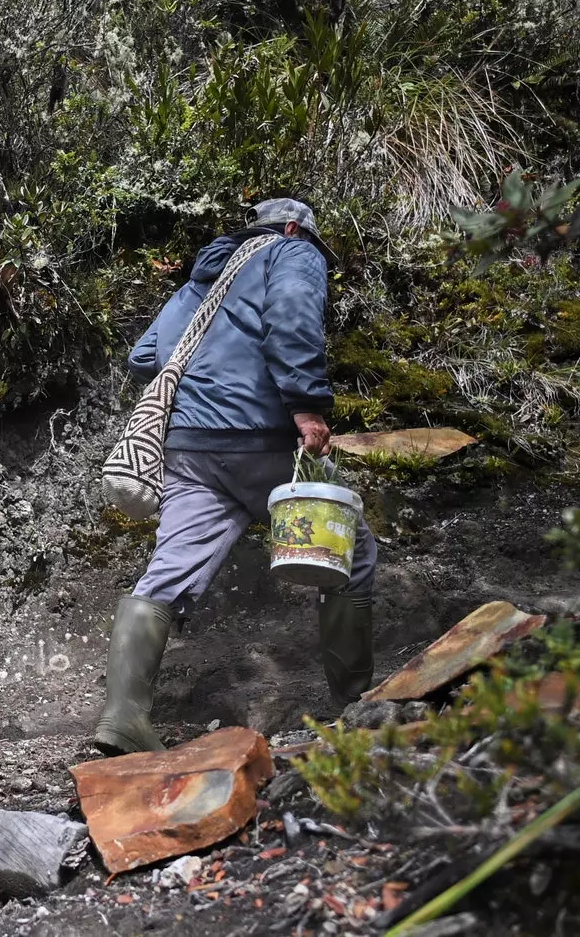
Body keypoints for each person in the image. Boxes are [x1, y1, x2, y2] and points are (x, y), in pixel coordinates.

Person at [94, 198, 378, 756]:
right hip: (261, 439)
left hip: (189, 447)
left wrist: (206, 388)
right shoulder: (291, 252)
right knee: (352, 553)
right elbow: (292, 317)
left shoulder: (206, 276)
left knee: (170, 571)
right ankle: (358, 704)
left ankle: (123, 717)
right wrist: (306, 407)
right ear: (295, 228)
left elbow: (144, 355)